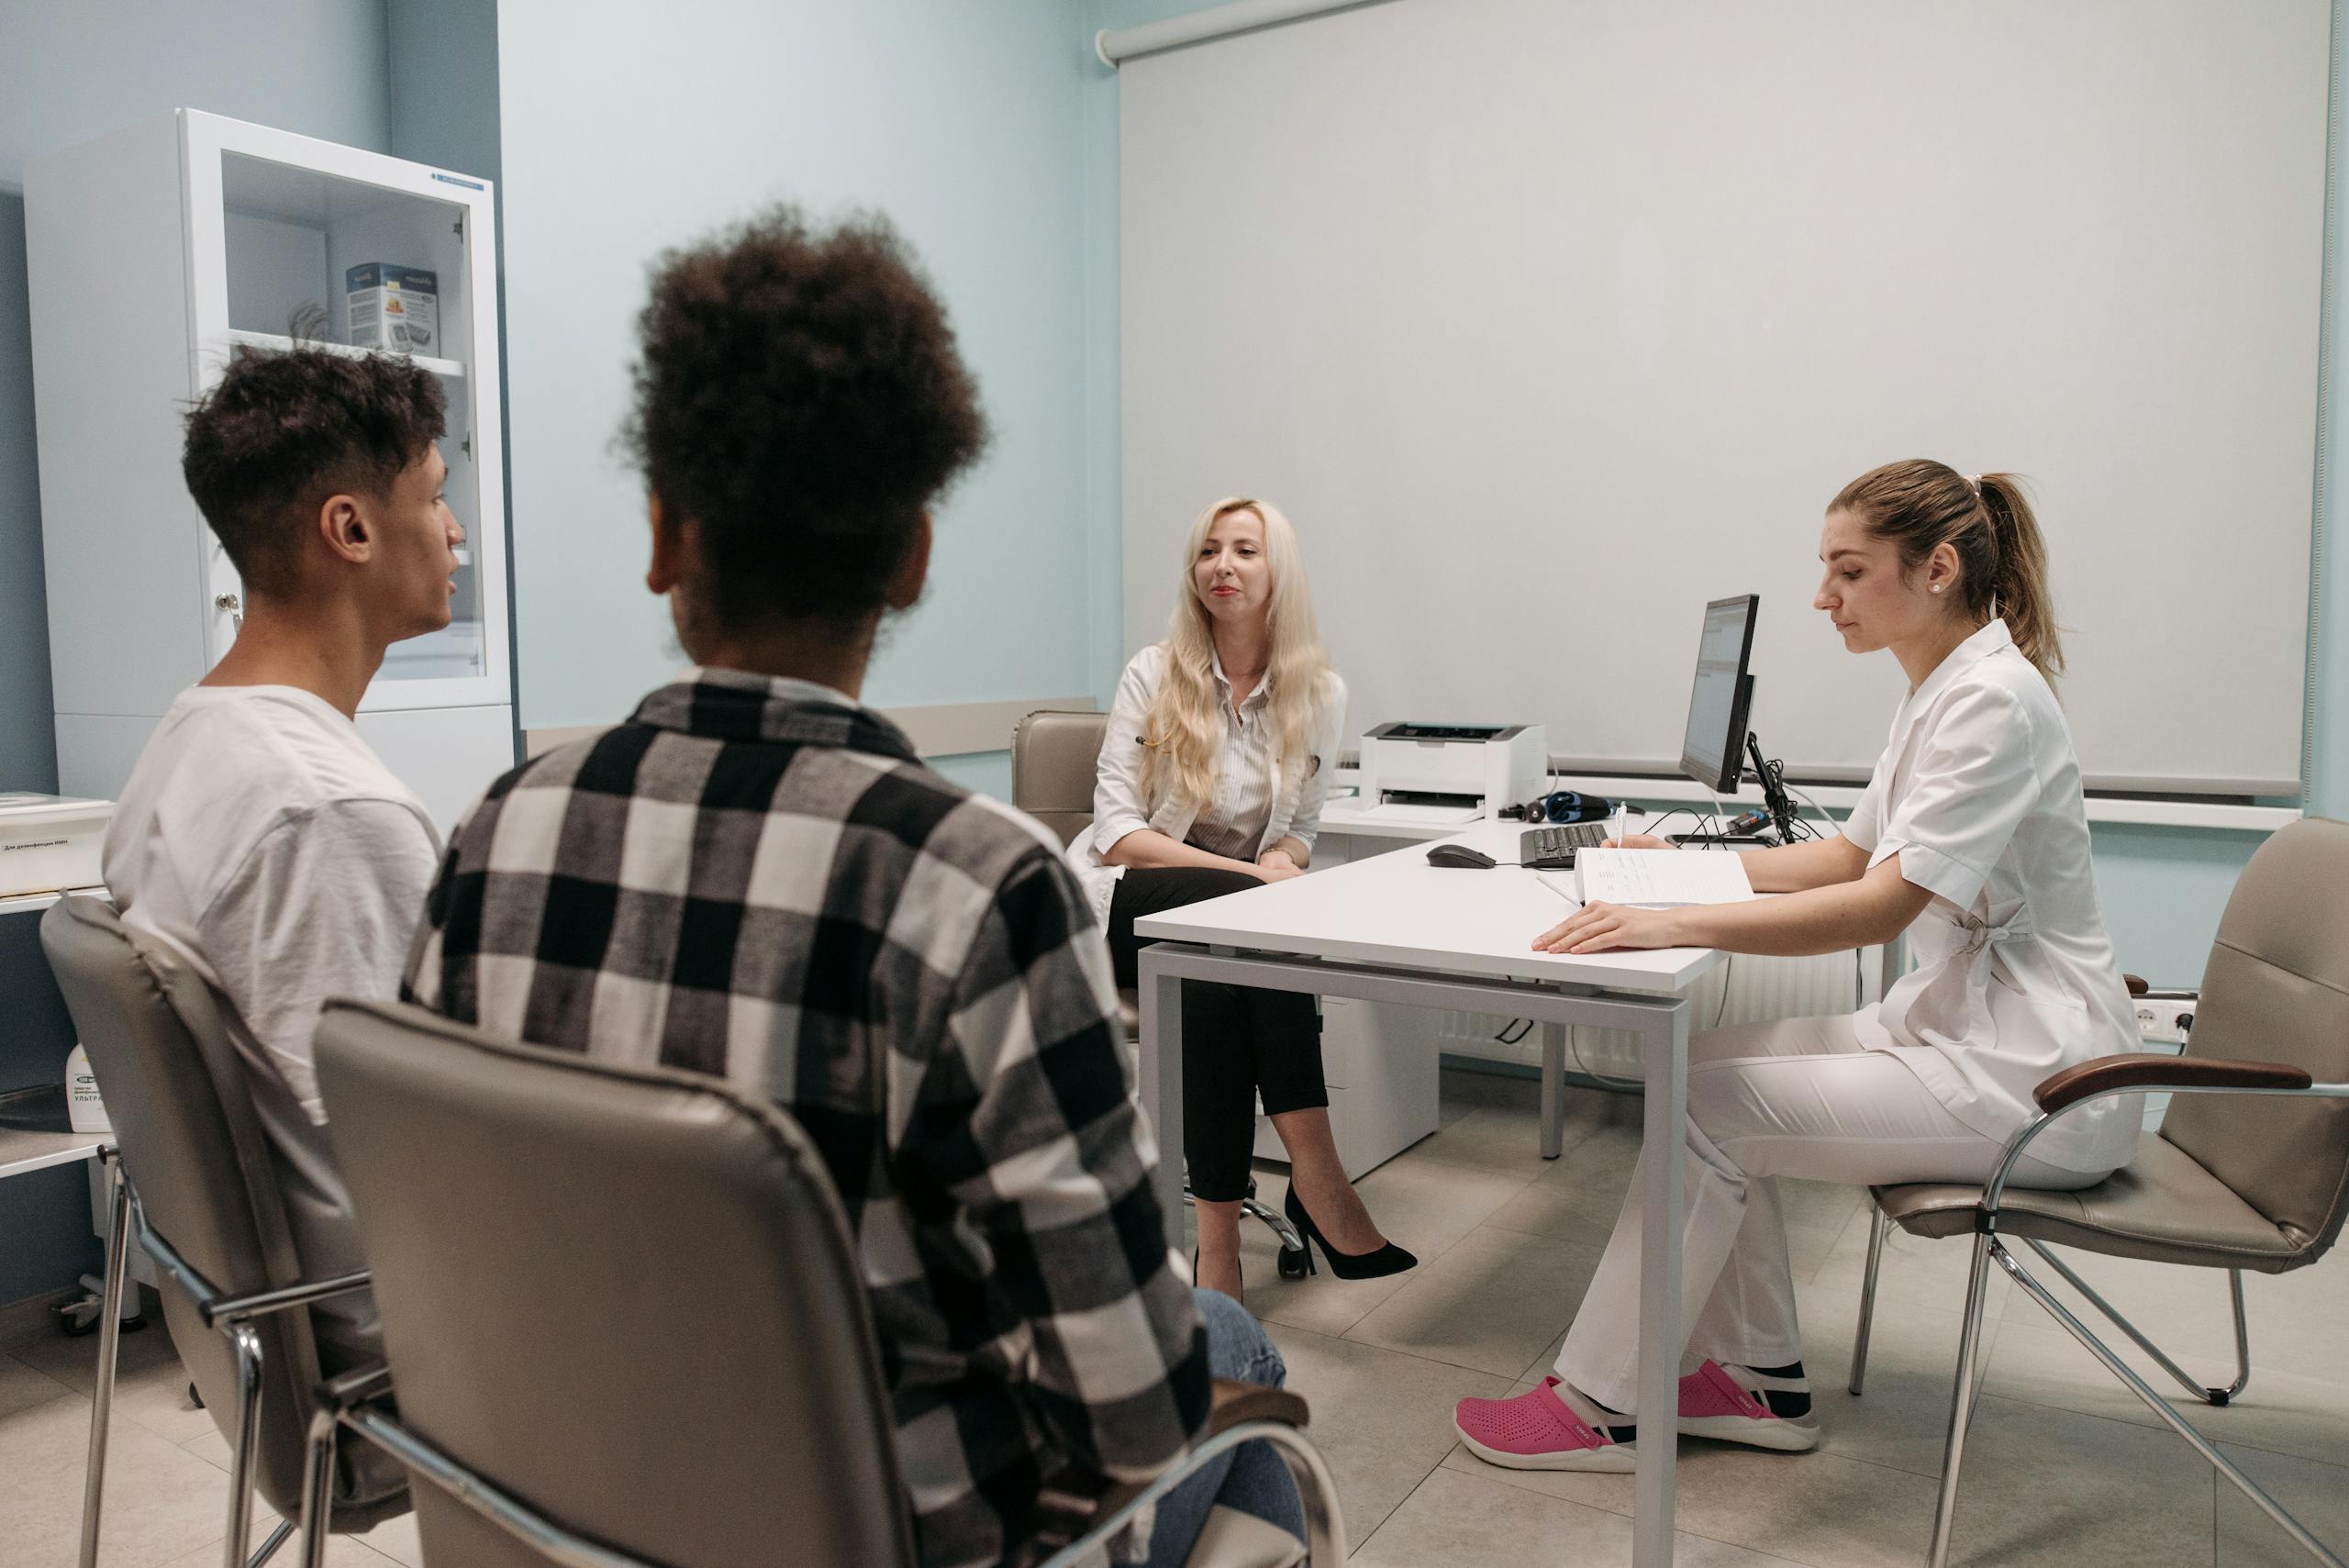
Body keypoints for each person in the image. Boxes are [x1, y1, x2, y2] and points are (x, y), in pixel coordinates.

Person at [402, 206, 1302, 1568]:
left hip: (560, 1499)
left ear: (661, 538)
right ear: (914, 557)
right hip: (878, 1530)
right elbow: (1125, 1404)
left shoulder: (492, 839)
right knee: (1224, 1342)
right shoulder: (977, 889)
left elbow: (439, 1249)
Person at [1453, 459, 2141, 1471]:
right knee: (1703, 1073)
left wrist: (1677, 920)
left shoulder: (1993, 700)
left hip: (2040, 1081)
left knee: (1705, 1107)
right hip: (1968, 1031)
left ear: (1938, 566)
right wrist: (1687, 864)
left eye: (1848, 571)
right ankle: (1759, 1380)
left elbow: (1878, 906)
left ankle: (1603, 1402)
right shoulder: (1942, 686)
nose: (1823, 596)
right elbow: (1846, 854)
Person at [103, 345, 460, 1401]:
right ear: (350, 529)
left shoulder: (187, 744)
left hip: (257, 1324)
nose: (455, 534)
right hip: (406, 1350)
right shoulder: (326, 810)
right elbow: (425, 1153)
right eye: (436, 498)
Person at [1074, 497, 1414, 1302]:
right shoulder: (1153, 672)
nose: (1222, 565)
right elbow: (1118, 831)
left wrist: (1280, 862)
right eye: (1208, 551)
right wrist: (1257, 882)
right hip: (1121, 899)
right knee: (1243, 928)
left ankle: (1216, 1252)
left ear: (1278, 573)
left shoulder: (1319, 693)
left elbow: (1302, 827)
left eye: (1244, 550)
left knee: (1218, 973)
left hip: (1226, 930)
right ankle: (1321, 1178)